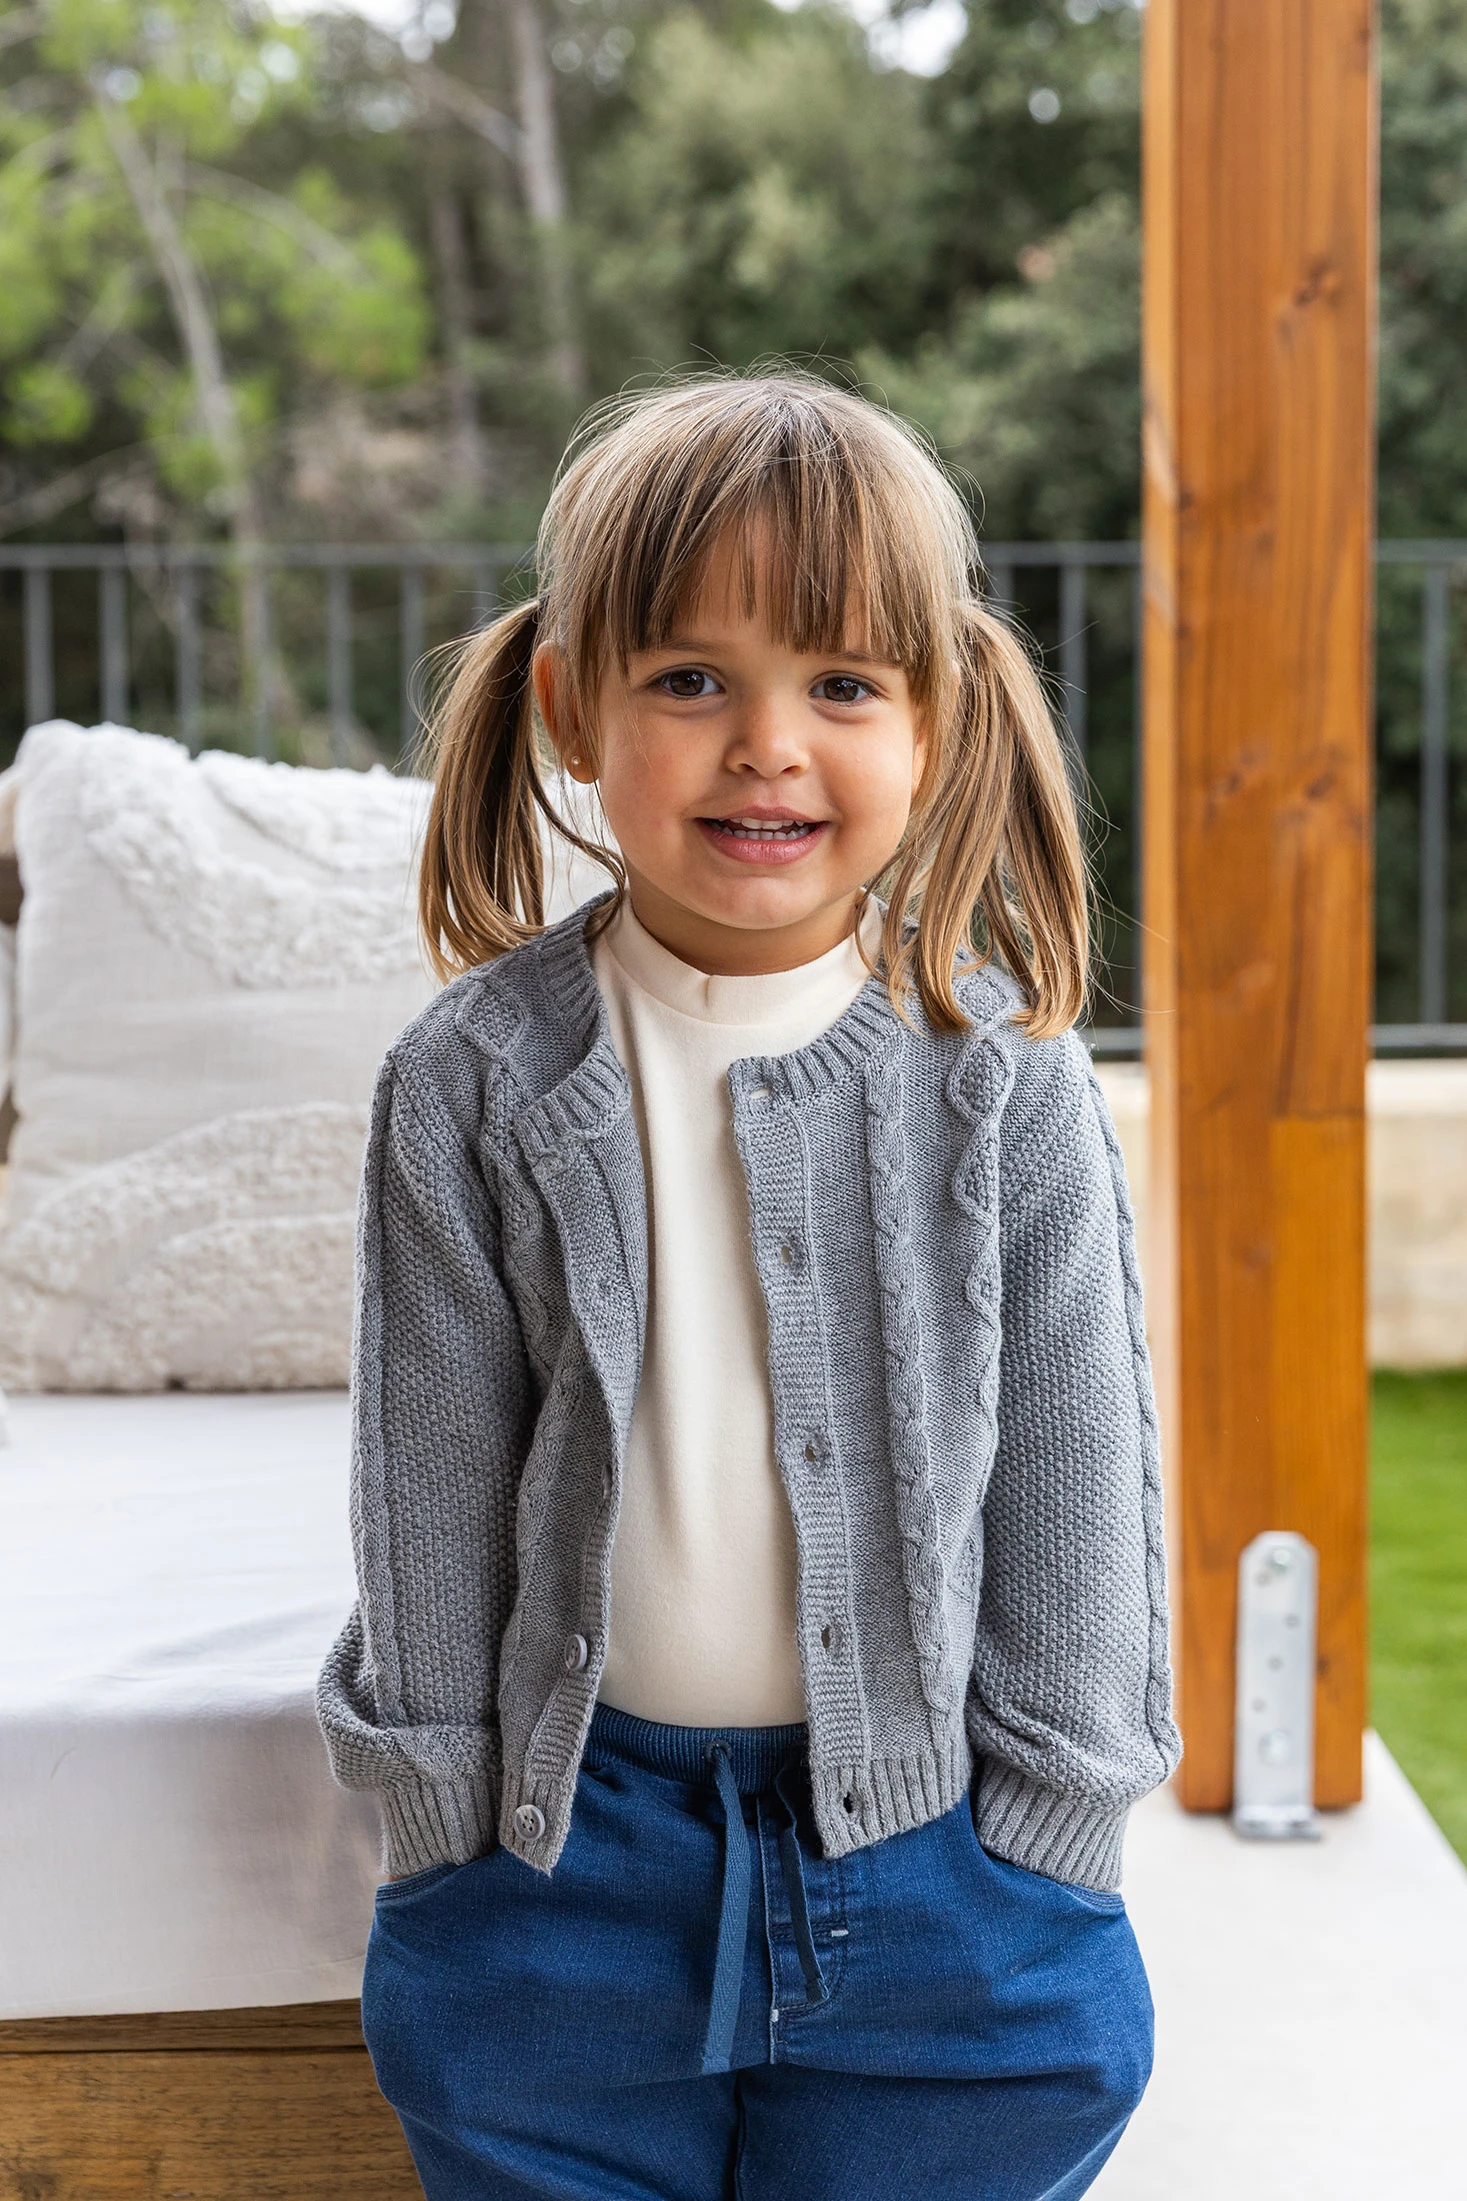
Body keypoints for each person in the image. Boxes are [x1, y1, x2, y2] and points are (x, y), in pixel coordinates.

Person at [318, 371, 1182, 2201]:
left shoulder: (1003, 1084)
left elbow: (1074, 1483)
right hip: (557, 1873)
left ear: (936, 721)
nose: (766, 745)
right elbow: (429, 1486)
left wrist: (1052, 1831)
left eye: (842, 683)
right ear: (572, 708)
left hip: (942, 1876)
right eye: (691, 679)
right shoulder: (470, 1080)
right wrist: (441, 1830)